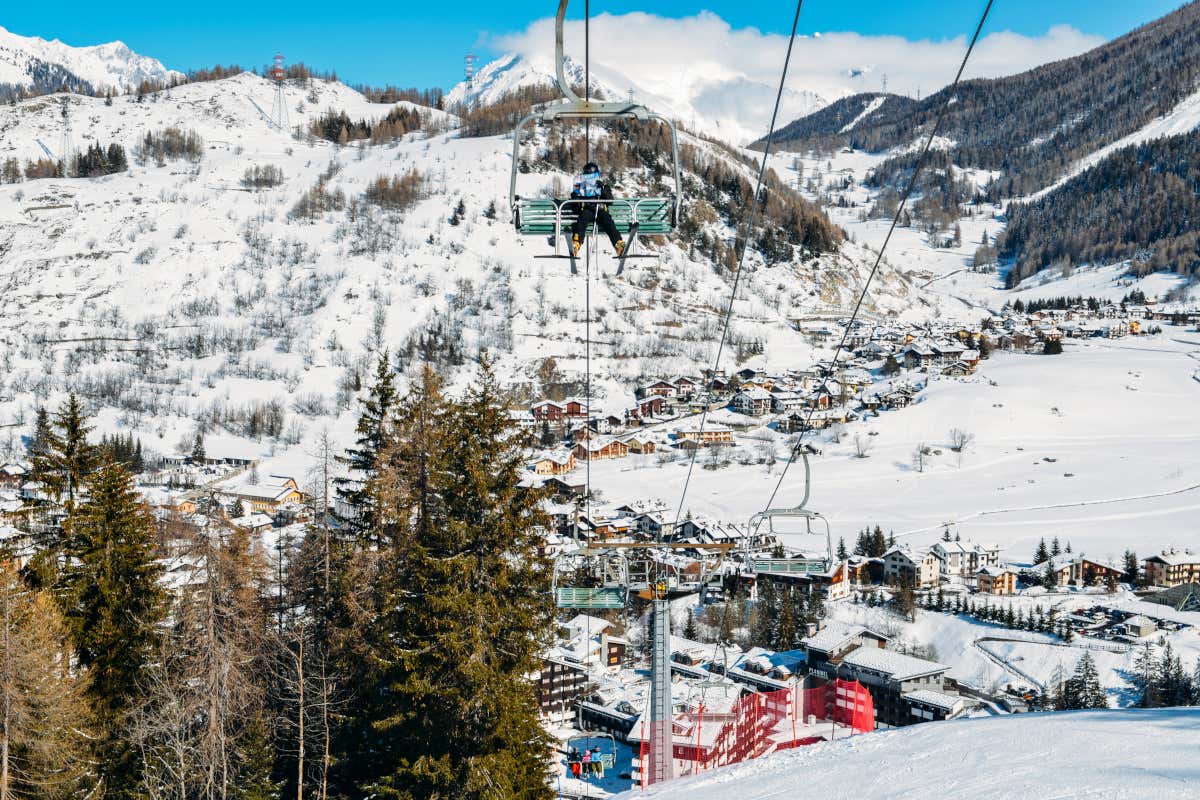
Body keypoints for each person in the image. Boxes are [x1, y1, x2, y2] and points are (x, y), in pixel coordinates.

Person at [570, 162, 625, 258]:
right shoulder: (580, 187)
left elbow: (610, 201)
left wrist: (603, 189)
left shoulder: (603, 186)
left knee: (608, 221)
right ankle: (576, 243)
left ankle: (618, 244)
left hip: (600, 210)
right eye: (587, 176)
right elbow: (575, 209)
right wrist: (575, 197)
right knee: (582, 220)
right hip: (587, 210)